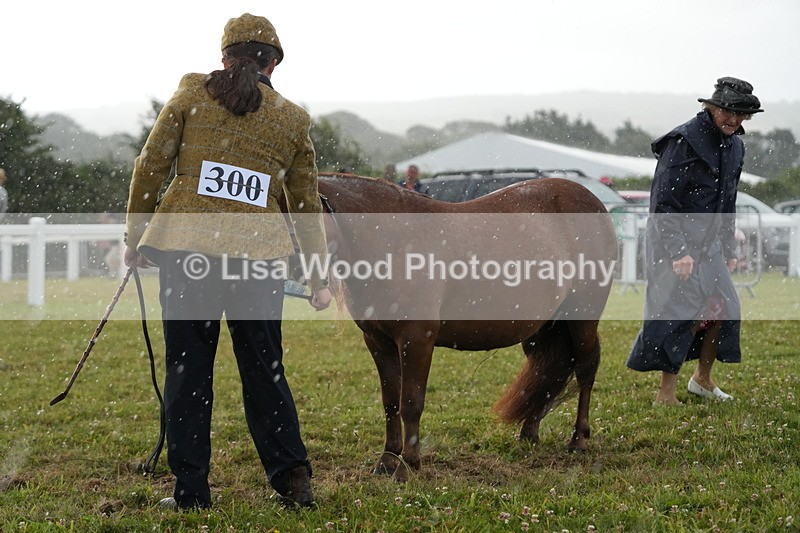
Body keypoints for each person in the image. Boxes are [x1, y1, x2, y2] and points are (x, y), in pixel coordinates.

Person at [124, 13, 332, 509]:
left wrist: (136, 237)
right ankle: (291, 479)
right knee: (265, 370)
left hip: (186, 252)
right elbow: (304, 204)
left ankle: (191, 491)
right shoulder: (292, 119)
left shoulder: (191, 94)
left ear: (224, 56)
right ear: (273, 65)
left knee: (188, 371)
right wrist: (319, 277)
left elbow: (150, 166)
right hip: (258, 261)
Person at [627, 77, 763, 405]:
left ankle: (702, 380)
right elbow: (663, 202)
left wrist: (728, 248)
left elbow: (727, 202)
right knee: (679, 315)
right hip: (674, 245)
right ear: (711, 107)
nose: (734, 120)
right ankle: (665, 394)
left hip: (711, 247)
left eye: (742, 114)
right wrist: (679, 252)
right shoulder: (683, 141)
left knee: (725, 309)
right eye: (728, 111)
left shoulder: (736, 146)